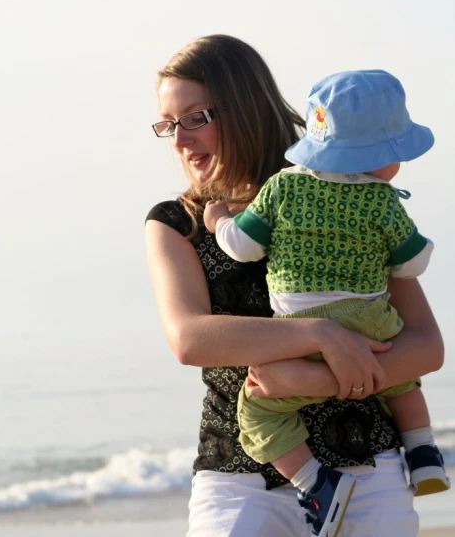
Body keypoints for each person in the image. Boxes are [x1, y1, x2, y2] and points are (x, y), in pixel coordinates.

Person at [145, 35, 444, 537]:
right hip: (237, 480)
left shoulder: (346, 191)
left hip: (367, 464)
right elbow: (190, 338)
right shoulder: (180, 222)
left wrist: (308, 379)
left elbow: (425, 346)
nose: (180, 139)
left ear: (243, 107)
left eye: (196, 118)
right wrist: (322, 337)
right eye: (169, 124)